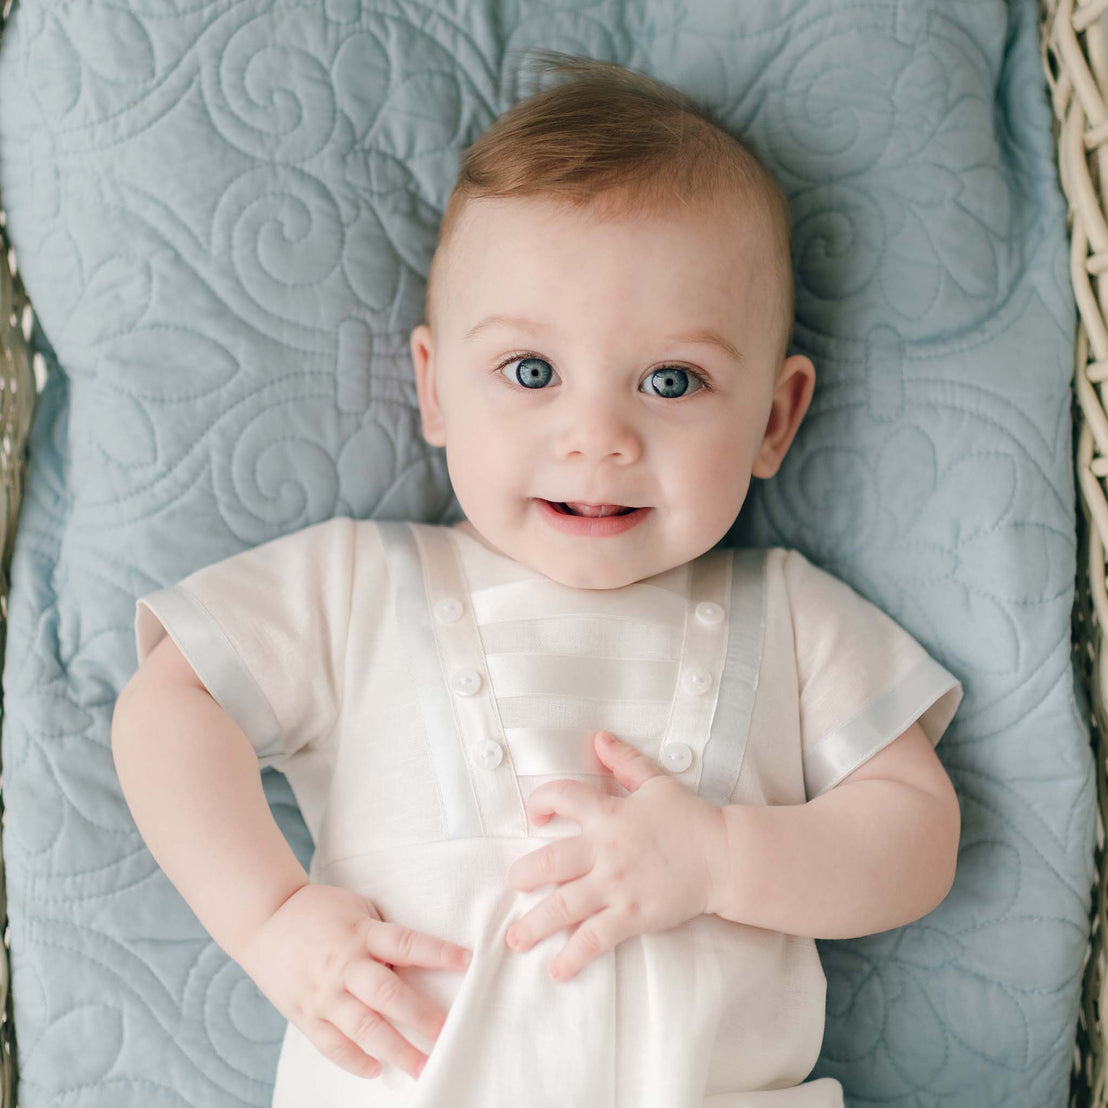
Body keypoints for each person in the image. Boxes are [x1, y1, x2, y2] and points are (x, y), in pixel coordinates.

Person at [111, 52, 963, 1108]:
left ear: (774, 420)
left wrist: (723, 858)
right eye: (530, 372)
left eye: (670, 381)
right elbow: (167, 707)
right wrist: (268, 917)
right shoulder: (358, 584)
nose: (596, 437)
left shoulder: (787, 612)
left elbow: (916, 835)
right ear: (433, 390)